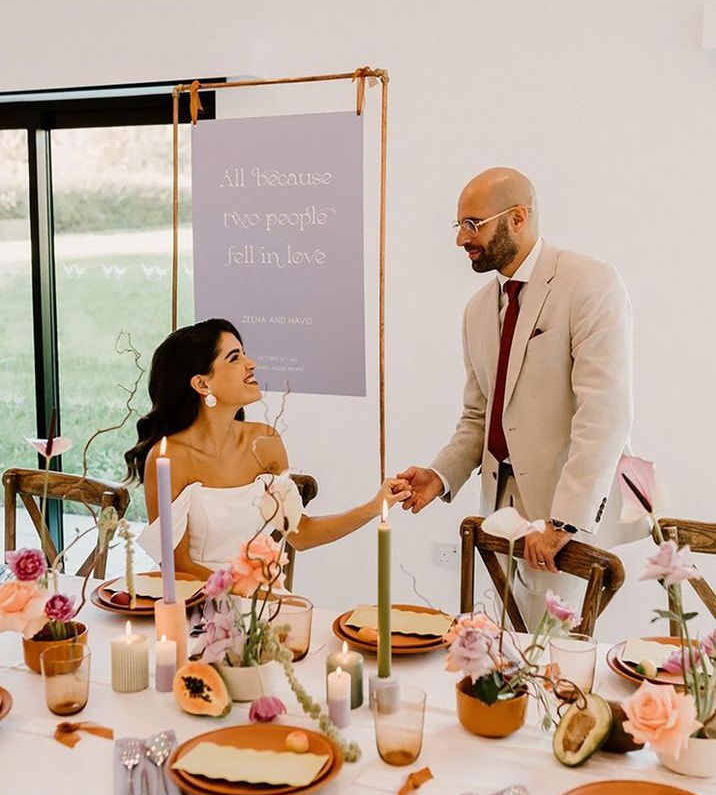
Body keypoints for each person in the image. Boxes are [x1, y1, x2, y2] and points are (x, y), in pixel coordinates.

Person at [399, 167, 643, 627]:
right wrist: (440, 474)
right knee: (499, 655)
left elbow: (605, 415)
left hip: (565, 518)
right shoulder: (476, 311)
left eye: (473, 224)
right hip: (497, 513)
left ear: (518, 217)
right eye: (459, 226)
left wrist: (563, 524)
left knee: (557, 659)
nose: (461, 240)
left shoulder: (589, 283)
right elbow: (479, 416)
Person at [126, 318, 409, 578]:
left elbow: (300, 533)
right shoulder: (169, 457)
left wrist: (374, 506)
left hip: (262, 603)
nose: (251, 364)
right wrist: (241, 593)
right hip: (200, 603)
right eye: (234, 358)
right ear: (202, 383)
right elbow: (178, 566)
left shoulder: (266, 442)